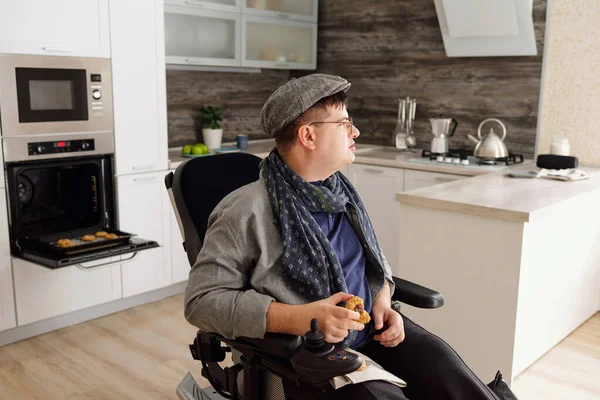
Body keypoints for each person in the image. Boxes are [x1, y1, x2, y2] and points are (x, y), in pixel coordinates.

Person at [184, 73, 517, 400]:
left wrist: (383, 302)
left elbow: (373, 264)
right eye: (343, 124)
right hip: (308, 354)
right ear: (308, 136)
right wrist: (302, 318)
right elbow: (201, 302)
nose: (354, 131)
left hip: (372, 331)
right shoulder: (246, 210)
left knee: (453, 376)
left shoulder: (340, 193)